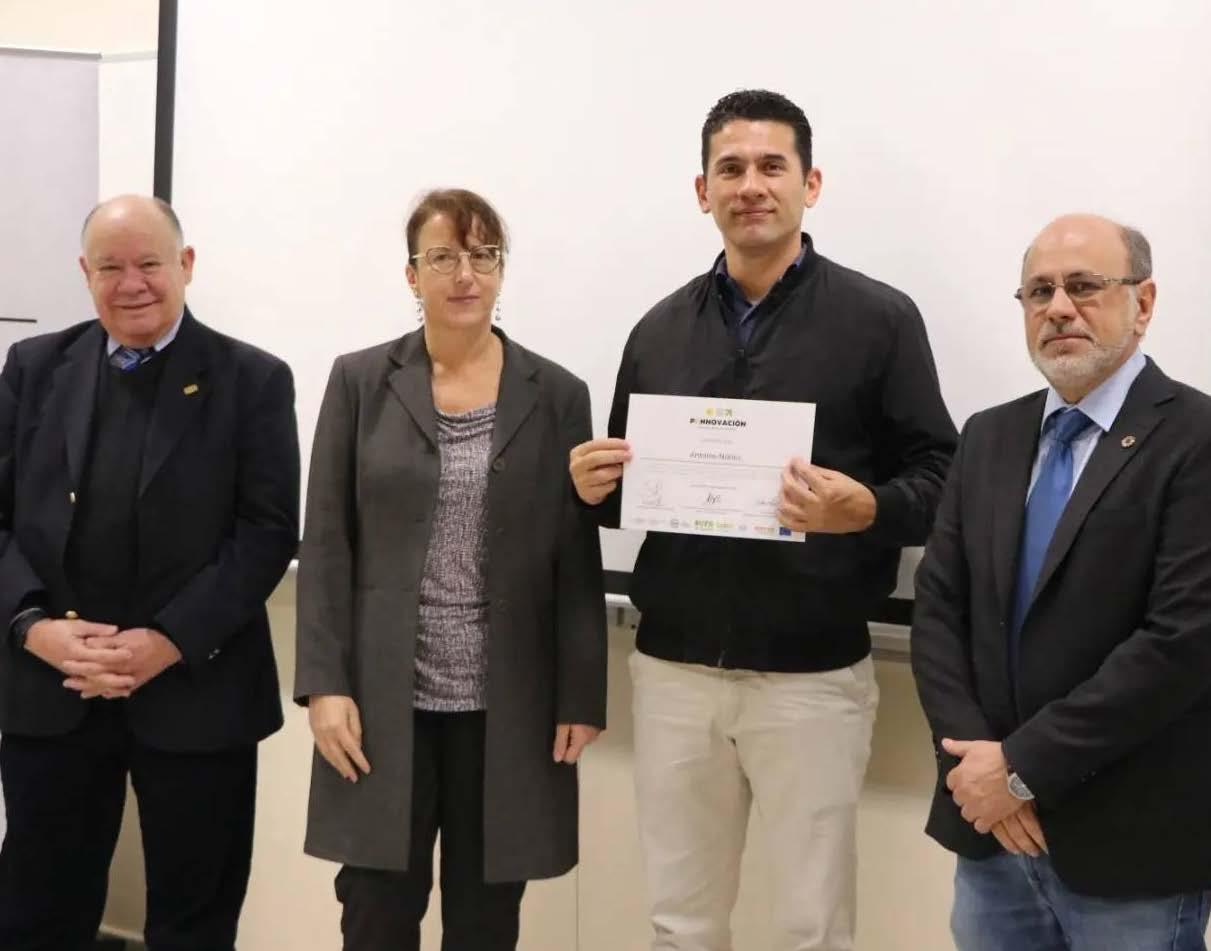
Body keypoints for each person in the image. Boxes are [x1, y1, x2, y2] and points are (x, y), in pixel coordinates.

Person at [569, 89, 957, 950]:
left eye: (771, 166)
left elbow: (942, 475)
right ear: (701, 190)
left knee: (809, 927)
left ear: (809, 183)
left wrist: (870, 509)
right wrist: (589, 489)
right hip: (673, 669)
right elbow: (636, 490)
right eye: (730, 168)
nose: (750, 185)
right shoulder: (658, 329)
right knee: (680, 922)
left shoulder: (879, 319)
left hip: (811, 677)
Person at [295, 188, 607, 951]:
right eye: (443, 257)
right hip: (380, 702)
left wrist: (580, 693)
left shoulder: (556, 394)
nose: (465, 275)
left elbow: (575, 559)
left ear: (500, 269)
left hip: (508, 705)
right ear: (412, 273)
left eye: (482, 256)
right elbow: (326, 543)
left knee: (485, 920)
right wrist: (324, 685)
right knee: (375, 913)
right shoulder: (359, 381)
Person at [0, 194, 300, 950]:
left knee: (193, 923)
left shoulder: (253, 379)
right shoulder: (33, 369)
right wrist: (31, 628)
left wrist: (167, 640)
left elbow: (266, 533)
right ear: (85, 273)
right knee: (34, 916)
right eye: (110, 267)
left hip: (197, 690)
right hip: (52, 691)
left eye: (149, 264)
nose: (131, 283)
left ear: (185, 265)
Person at [911, 213, 1211, 950]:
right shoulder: (988, 434)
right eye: (1039, 291)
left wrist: (1019, 768)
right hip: (991, 834)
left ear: (1143, 303)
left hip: (1129, 843)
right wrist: (977, 768)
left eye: (1083, 286)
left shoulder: (1196, 438)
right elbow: (939, 611)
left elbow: (1181, 642)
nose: (1058, 308)